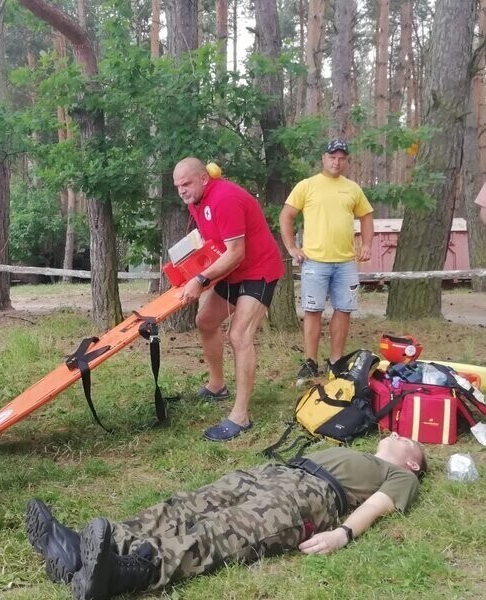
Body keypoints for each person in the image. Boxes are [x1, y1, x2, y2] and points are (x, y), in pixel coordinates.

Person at [25, 433, 426, 600]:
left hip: (313, 496)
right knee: (184, 505)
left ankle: (131, 572)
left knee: (226, 530)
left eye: (405, 440)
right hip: (276, 473)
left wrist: (343, 534)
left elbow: (376, 506)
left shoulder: (402, 477)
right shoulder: (360, 451)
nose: (395, 434)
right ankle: (92, 549)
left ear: (412, 462)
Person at [172, 157, 284, 441]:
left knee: (239, 335)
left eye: (186, 183)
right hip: (232, 272)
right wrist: (188, 270)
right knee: (206, 321)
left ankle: (240, 416)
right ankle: (217, 385)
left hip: (259, 271)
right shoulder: (196, 202)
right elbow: (215, 245)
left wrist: (200, 280)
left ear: (203, 179)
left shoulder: (225, 198)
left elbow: (236, 252)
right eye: (177, 186)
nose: (182, 190)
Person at [279, 139, 373, 383]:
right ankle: (310, 362)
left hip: (345, 263)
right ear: (323, 158)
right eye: (332, 157)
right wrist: (292, 247)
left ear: (346, 161)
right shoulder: (307, 186)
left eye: (341, 158)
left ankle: (336, 362)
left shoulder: (352, 189)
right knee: (313, 311)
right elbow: (286, 215)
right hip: (314, 262)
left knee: (344, 310)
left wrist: (367, 244)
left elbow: (366, 216)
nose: (336, 162)